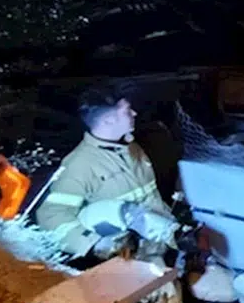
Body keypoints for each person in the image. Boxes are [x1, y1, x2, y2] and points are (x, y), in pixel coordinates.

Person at [36, 87, 180, 261]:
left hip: (161, 245)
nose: (134, 113)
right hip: (130, 261)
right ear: (109, 120)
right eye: (127, 110)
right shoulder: (80, 165)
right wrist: (94, 243)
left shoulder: (131, 148)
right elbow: (51, 215)